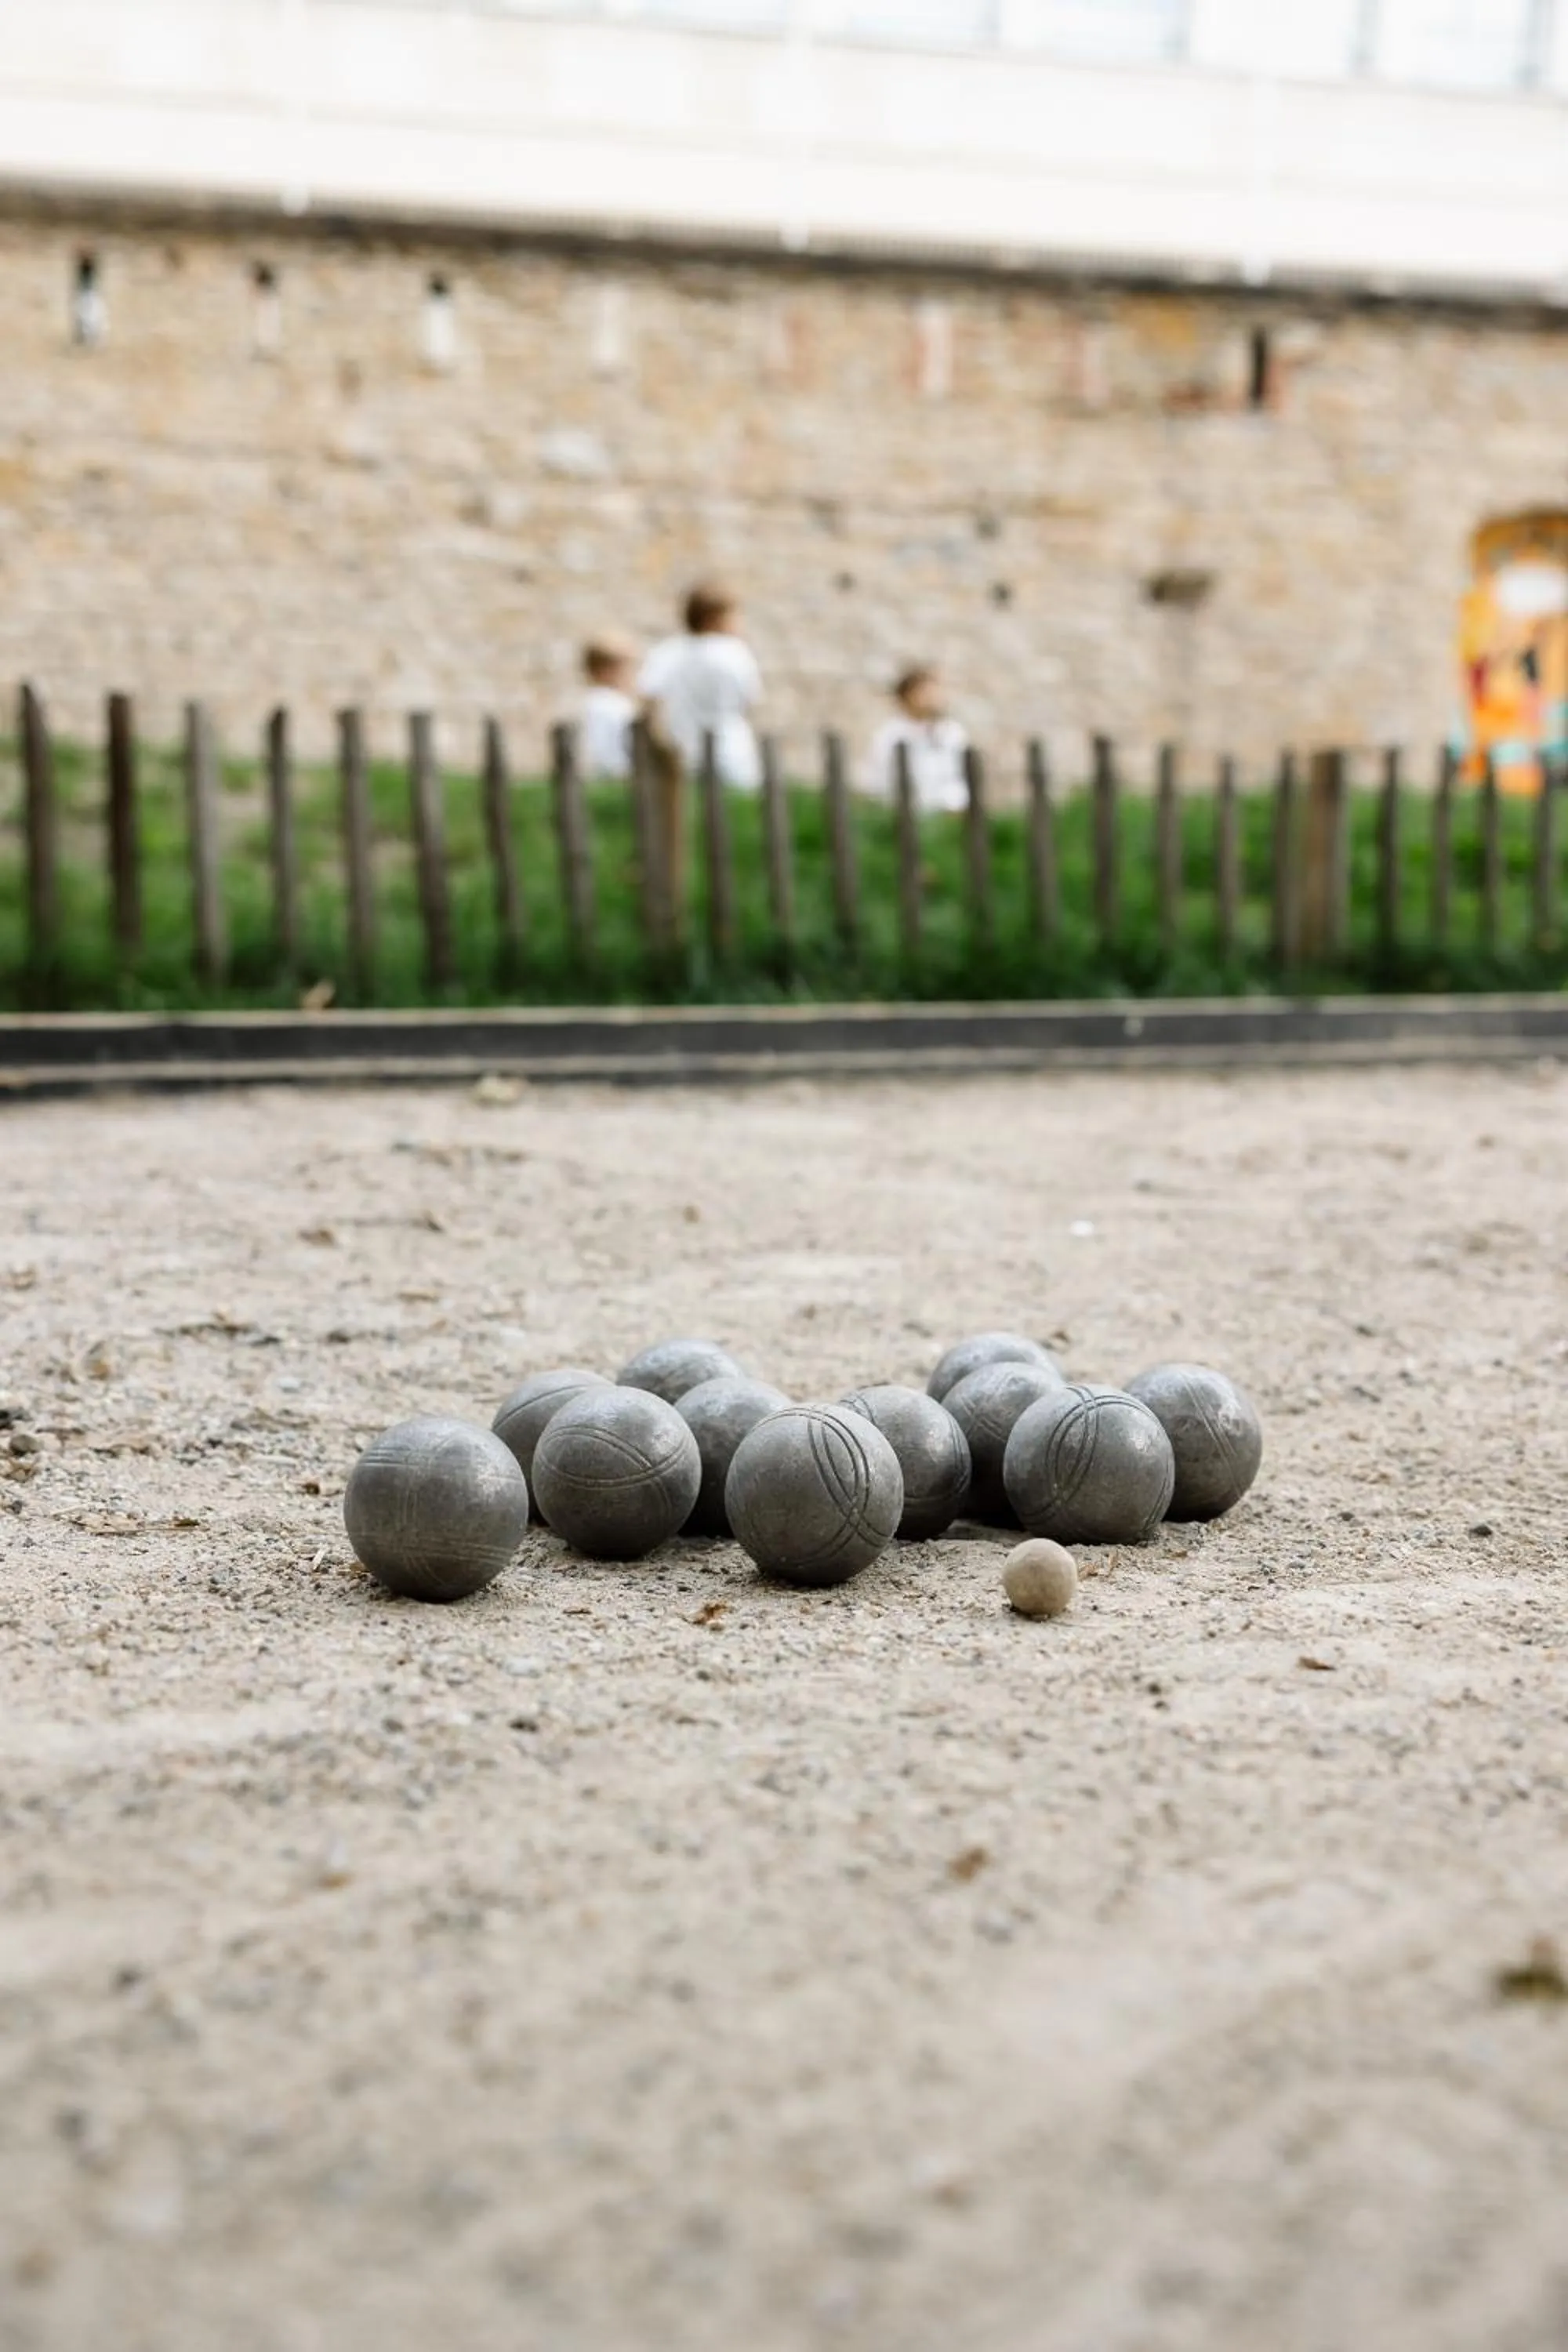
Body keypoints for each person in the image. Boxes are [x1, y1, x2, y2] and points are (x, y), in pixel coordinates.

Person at [638, 583, 763, 789]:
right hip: (730, 750)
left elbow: (649, 699)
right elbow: (750, 700)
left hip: (683, 751)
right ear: (714, 618)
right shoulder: (734, 652)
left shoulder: (667, 651)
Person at [864, 666, 971, 812]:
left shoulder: (952, 732)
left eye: (934, 691)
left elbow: (959, 778)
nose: (932, 697)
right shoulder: (890, 736)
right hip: (910, 816)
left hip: (951, 815)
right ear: (907, 696)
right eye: (925, 692)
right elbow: (880, 782)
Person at [578, 637, 637, 781]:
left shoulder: (589, 702)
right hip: (616, 776)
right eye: (623, 668)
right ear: (606, 670)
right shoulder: (612, 705)